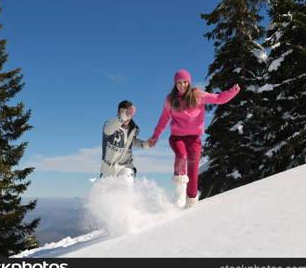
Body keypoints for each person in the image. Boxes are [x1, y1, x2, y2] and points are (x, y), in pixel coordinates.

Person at [148, 69, 240, 208]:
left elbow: (218, 98)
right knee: (181, 155)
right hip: (177, 137)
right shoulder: (170, 100)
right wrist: (155, 136)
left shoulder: (198, 95)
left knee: (193, 169)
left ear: (189, 83)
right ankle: (179, 193)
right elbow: (163, 120)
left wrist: (232, 92)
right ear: (175, 84)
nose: (182, 85)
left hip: (194, 139)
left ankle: (191, 201)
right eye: (179, 82)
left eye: (185, 82)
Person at [100, 100, 150, 189]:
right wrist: (124, 116)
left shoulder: (133, 129)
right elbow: (108, 130)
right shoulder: (109, 124)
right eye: (123, 113)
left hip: (126, 166)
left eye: (128, 113)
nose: (126, 116)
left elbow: (131, 141)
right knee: (103, 196)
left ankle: (128, 202)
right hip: (108, 168)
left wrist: (145, 144)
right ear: (118, 113)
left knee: (126, 186)